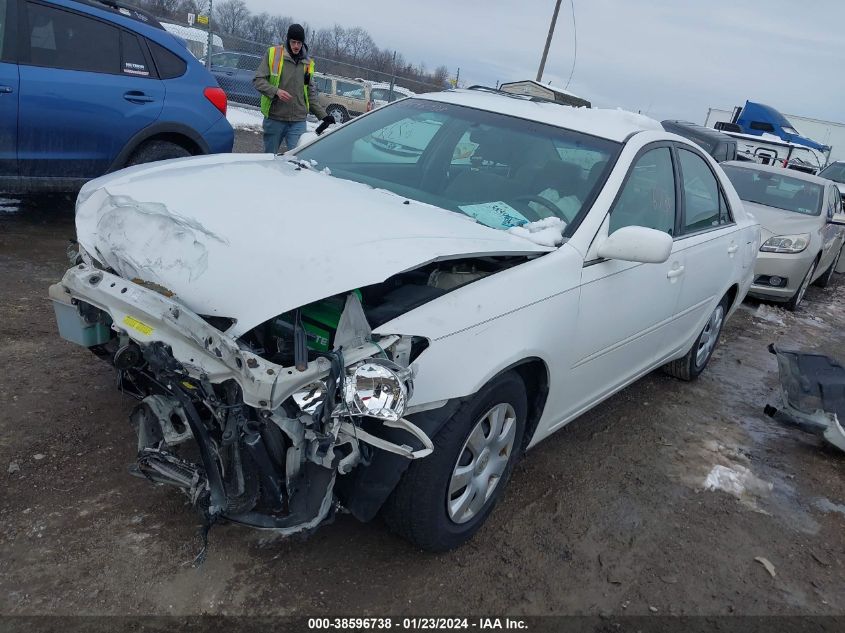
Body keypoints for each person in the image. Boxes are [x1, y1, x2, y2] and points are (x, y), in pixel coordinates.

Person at [253, 24, 334, 153]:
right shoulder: (274, 54)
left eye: (299, 42)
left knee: (298, 158)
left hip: (298, 121)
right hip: (275, 118)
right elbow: (258, 80)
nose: (296, 46)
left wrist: (323, 115)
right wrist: (276, 91)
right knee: (270, 158)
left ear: (303, 43)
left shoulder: (307, 63)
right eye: (293, 42)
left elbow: (309, 92)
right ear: (288, 41)